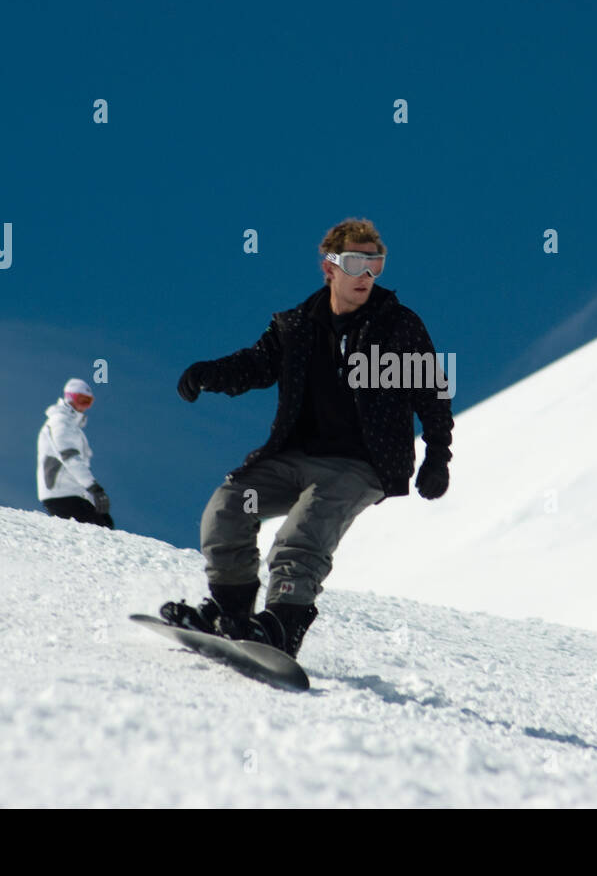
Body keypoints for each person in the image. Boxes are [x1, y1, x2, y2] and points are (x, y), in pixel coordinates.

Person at [163, 217, 453, 659]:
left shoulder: (399, 326)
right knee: (227, 508)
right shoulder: (296, 326)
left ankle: (282, 625)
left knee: (302, 534)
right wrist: (209, 374)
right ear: (330, 268)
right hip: (292, 456)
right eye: (356, 263)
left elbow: (431, 391)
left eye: (376, 264)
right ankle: (231, 613)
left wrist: (437, 456)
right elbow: (256, 364)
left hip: (362, 463)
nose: (367, 276)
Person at [36, 378, 114, 528]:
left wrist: (93, 497)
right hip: (60, 494)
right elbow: (69, 457)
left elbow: (78, 467)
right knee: (100, 532)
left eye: (88, 402)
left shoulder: (73, 427)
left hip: (73, 493)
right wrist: (94, 488)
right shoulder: (60, 422)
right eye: (81, 400)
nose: (84, 406)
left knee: (106, 524)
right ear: (70, 398)